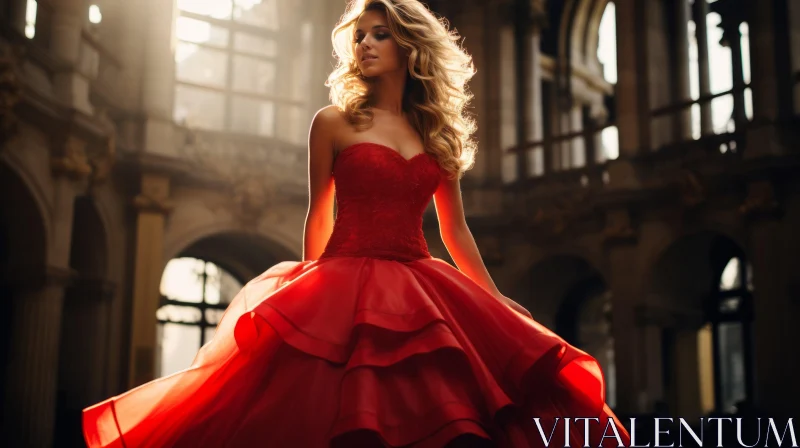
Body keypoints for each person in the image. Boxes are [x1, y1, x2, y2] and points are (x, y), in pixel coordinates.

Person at [82, 0, 631, 446]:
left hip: (421, 281)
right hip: (342, 278)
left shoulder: (436, 134)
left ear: (410, 46)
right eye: (360, 35)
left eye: (379, 35)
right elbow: (319, 213)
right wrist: (307, 290)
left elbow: (455, 231)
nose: (364, 44)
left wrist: (492, 300)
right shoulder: (333, 123)